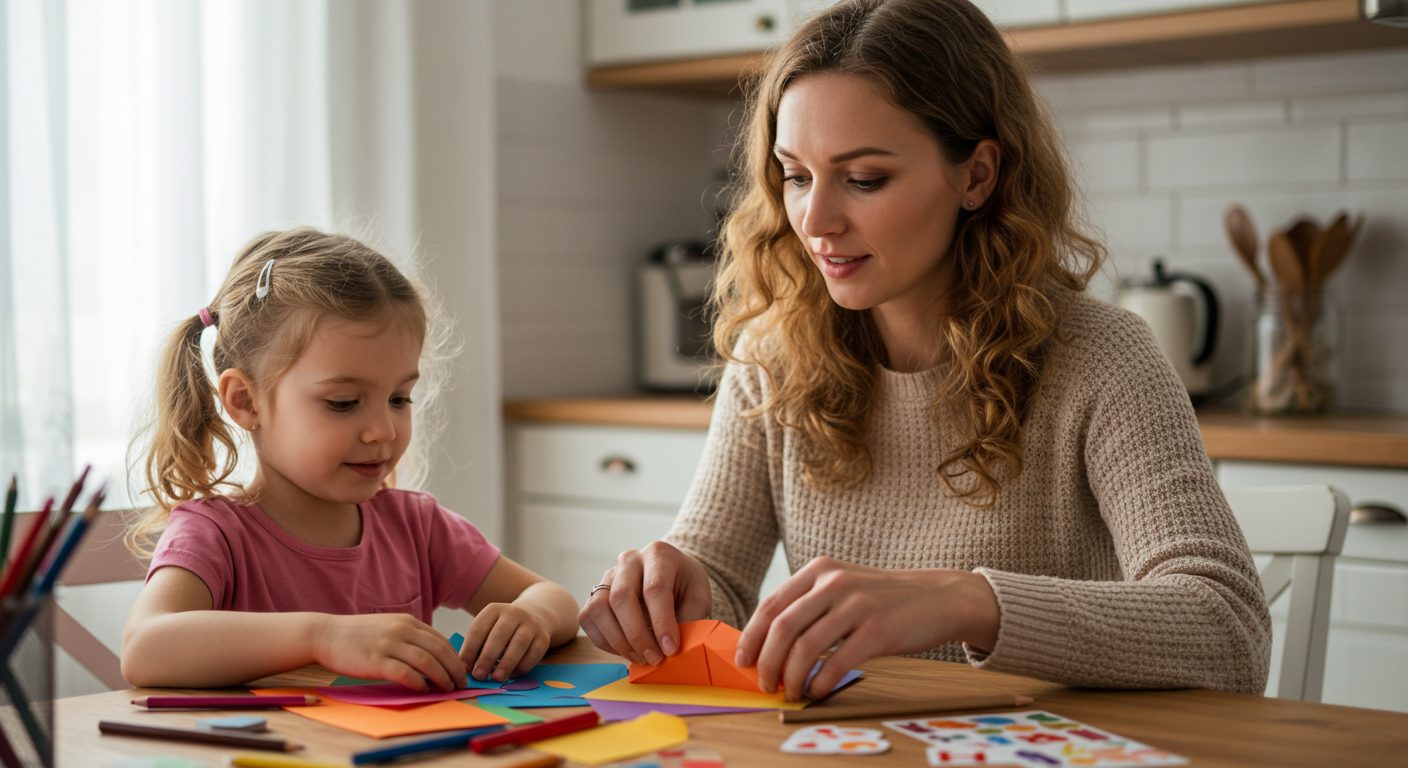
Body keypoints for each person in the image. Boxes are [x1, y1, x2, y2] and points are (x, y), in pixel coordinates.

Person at [579, 0, 1270, 701]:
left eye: (865, 179)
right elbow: (718, 582)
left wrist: (964, 601)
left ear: (977, 176)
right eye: (795, 175)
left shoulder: (1099, 355)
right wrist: (673, 593)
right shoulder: (773, 358)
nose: (815, 221)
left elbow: (1230, 630)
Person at [122, 228, 578, 691]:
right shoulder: (215, 534)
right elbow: (145, 648)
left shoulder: (417, 526)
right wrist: (322, 637)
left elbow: (551, 597)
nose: (383, 430)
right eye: (343, 402)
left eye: (400, 399)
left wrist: (531, 616)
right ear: (245, 401)